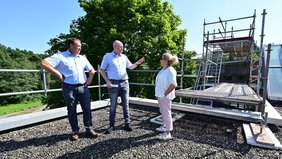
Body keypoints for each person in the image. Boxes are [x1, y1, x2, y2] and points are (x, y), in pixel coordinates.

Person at [40, 38, 99, 141]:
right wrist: (58, 74)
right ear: (71, 46)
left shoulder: (82, 58)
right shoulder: (60, 56)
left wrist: (89, 78)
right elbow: (44, 63)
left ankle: (89, 129)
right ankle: (75, 131)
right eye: (78, 46)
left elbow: (92, 70)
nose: (80, 48)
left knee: (87, 108)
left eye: (80, 46)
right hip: (68, 87)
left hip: (83, 87)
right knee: (71, 109)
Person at [100, 40, 145, 134]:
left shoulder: (124, 57)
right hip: (113, 83)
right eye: (119, 47)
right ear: (114, 46)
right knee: (113, 105)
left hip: (125, 82)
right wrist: (107, 81)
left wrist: (137, 63)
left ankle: (127, 123)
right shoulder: (107, 56)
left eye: (122, 47)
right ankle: (111, 125)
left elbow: (131, 67)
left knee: (126, 104)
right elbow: (101, 70)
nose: (121, 48)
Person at [155, 52, 178, 140]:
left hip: (165, 96)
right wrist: (159, 95)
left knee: (166, 113)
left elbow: (173, 84)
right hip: (160, 95)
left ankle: (168, 133)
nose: (160, 61)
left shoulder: (170, 70)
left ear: (165, 60)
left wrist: (164, 94)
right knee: (163, 111)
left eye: (161, 59)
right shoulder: (164, 69)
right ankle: (165, 126)